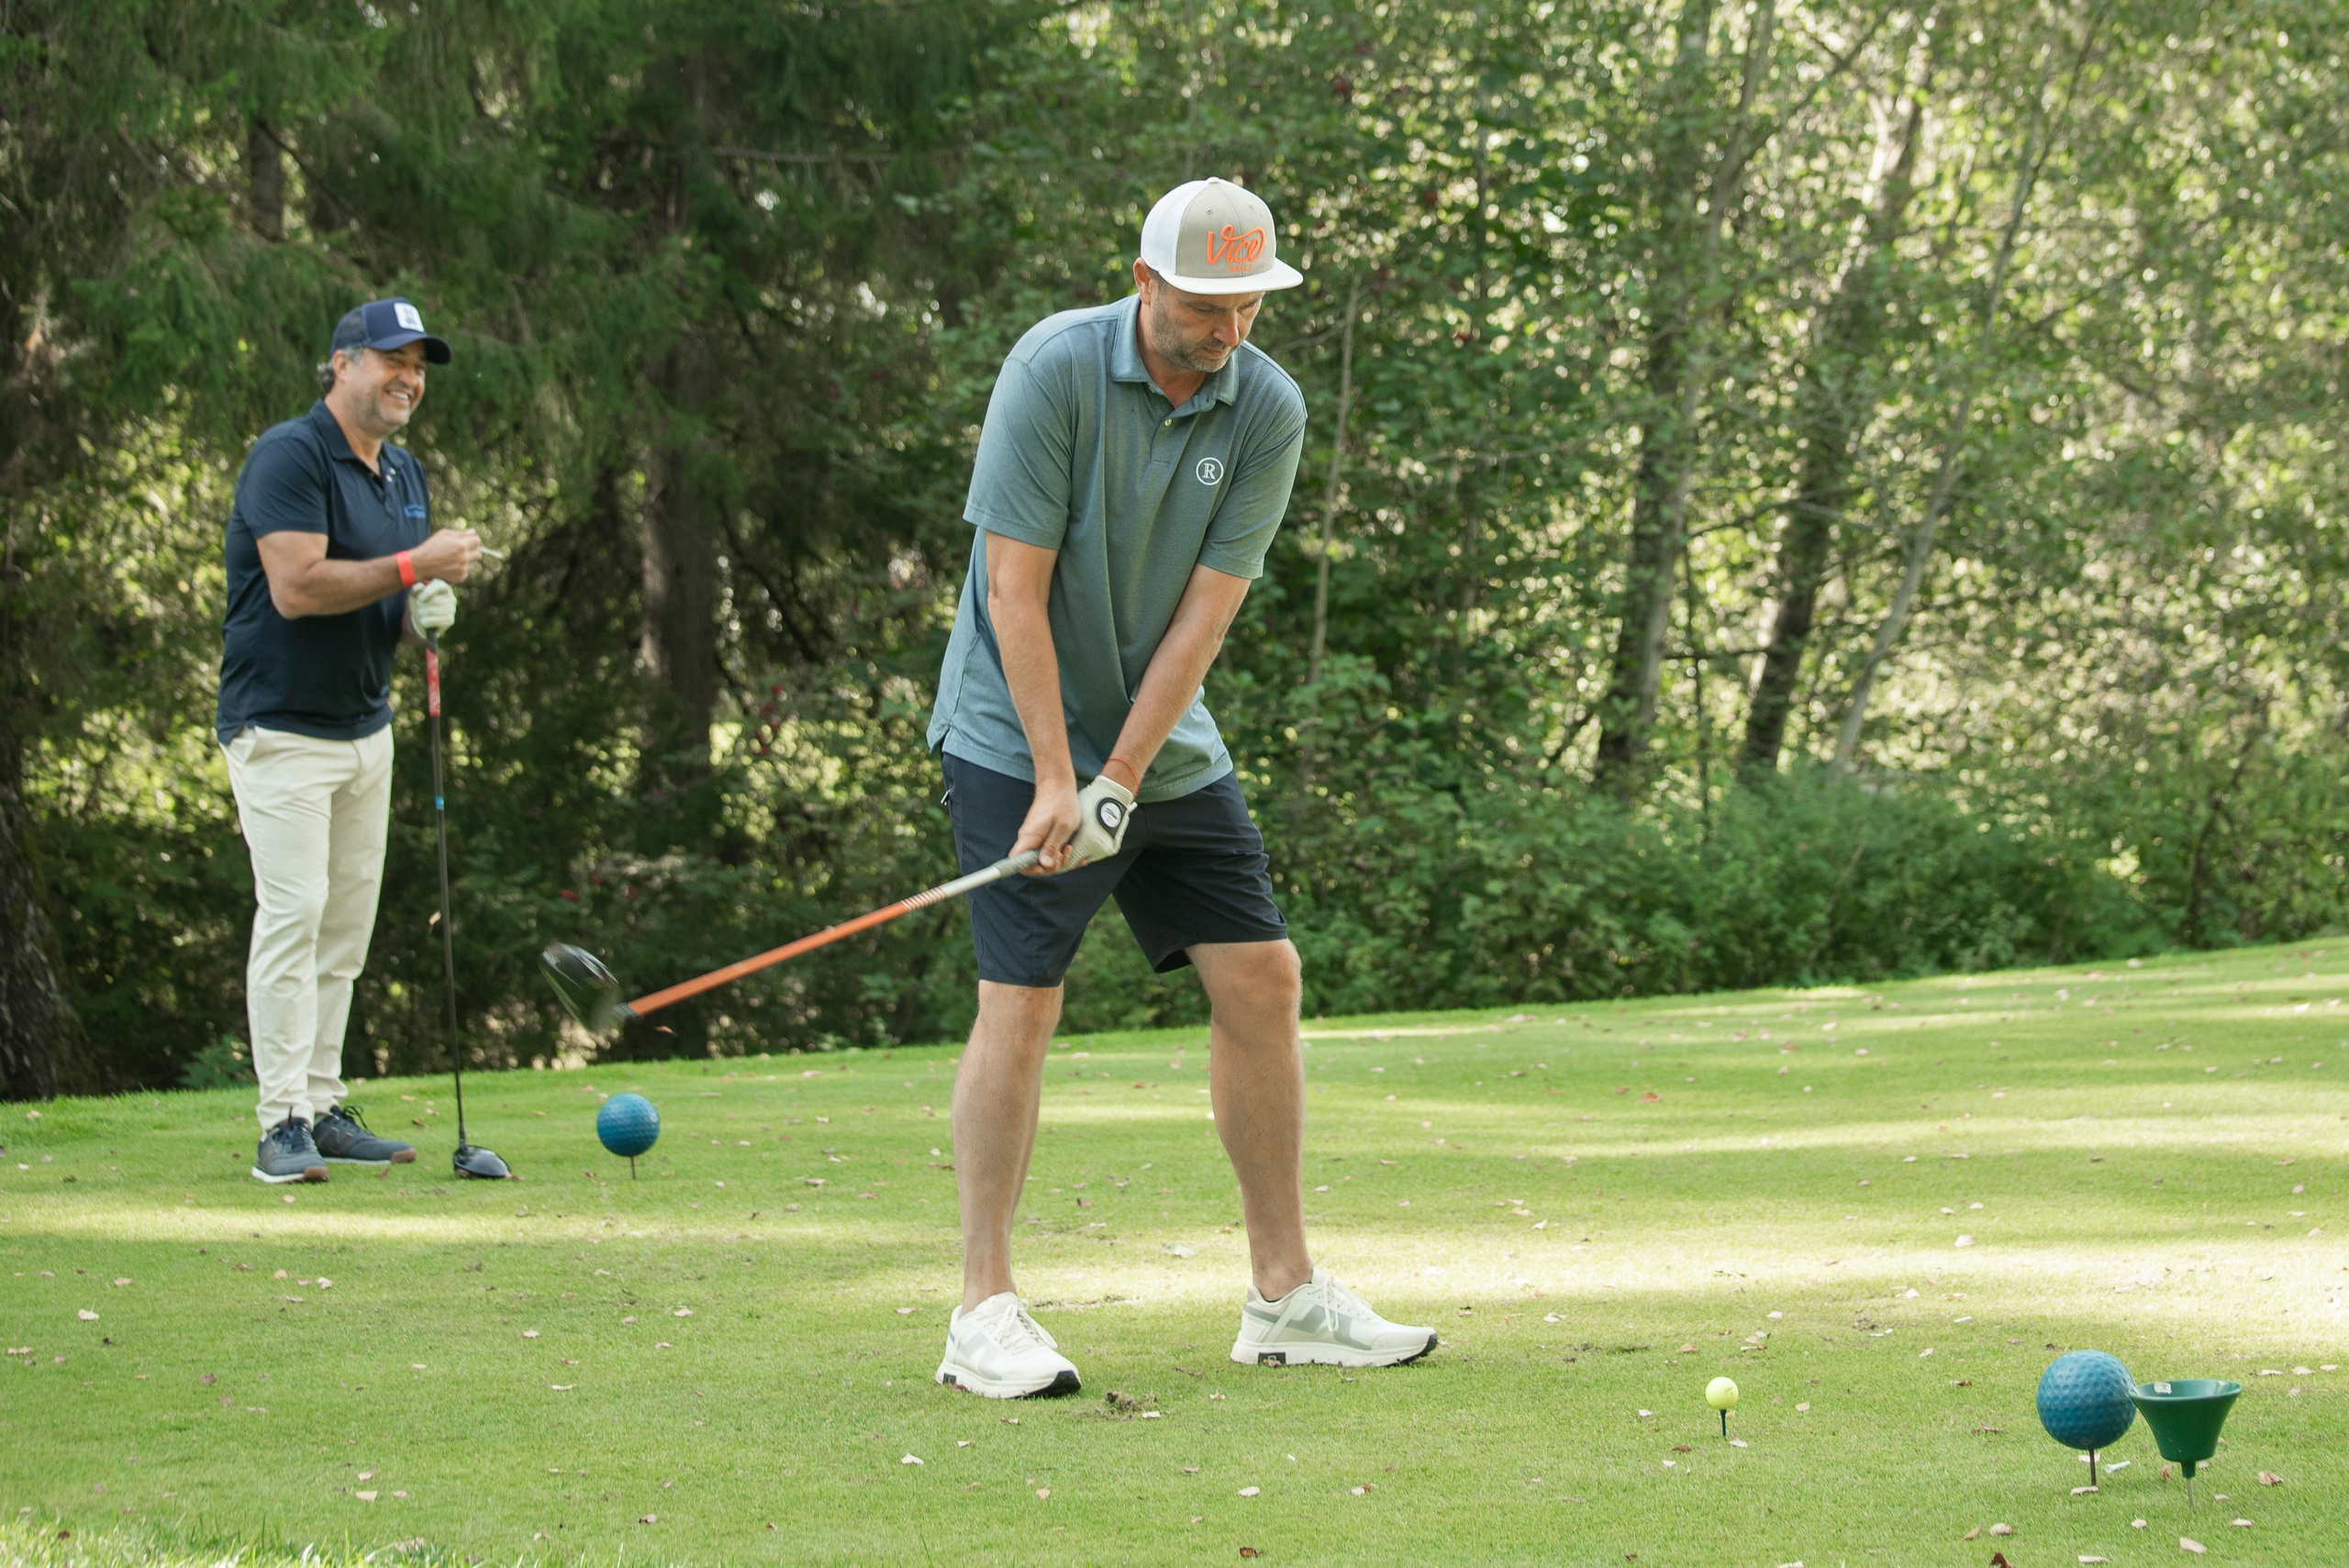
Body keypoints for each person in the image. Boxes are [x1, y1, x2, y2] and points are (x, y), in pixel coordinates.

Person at [926, 179, 1435, 1397]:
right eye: (1209, 305)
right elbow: (1015, 593)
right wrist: (1060, 778)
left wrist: (1122, 776)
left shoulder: (1265, 405)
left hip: (1161, 733)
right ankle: (982, 1309)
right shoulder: (1052, 369)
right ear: (1147, 283)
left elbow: (1207, 617)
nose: (1231, 329)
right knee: (1024, 999)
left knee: (1262, 973)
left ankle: (1284, 1295)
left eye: (1250, 303)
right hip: (1013, 729)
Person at [217, 297, 483, 1183]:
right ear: (342, 364)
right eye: (390, 359)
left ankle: (323, 1104)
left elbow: (389, 600)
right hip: (280, 728)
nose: (408, 377)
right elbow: (296, 586)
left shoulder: (403, 474)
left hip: (367, 729)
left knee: (344, 930)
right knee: (292, 918)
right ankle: (280, 1122)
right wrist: (419, 566)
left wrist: (423, 613)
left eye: (418, 364)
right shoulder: (288, 455)